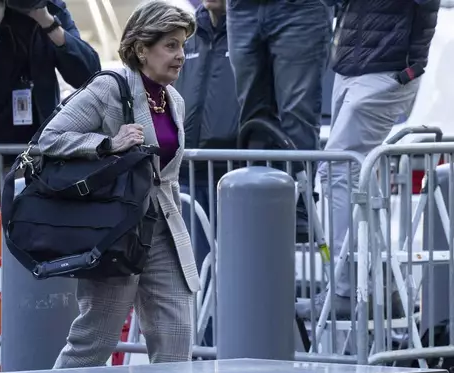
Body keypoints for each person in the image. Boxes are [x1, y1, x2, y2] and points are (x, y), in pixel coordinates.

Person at [0, 0, 100, 373]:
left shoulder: (49, 10)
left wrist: (45, 21)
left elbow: (88, 71)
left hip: (28, 161)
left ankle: (39, 371)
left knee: (40, 272)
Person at [36, 0, 199, 368]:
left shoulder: (174, 100)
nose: (180, 55)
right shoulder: (108, 88)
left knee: (176, 339)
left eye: (183, 45)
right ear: (142, 49)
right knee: (95, 341)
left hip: (162, 230)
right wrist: (107, 144)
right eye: (170, 45)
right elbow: (49, 139)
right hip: (117, 230)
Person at [305, 0, 440, 320]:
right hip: (354, 63)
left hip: (386, 67)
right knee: (351, 172)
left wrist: (410, 68)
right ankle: (381, 284)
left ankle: (346, 288)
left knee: (341, 170)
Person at [225, 0, 333, 241]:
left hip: (301, 8)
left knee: (297, 113)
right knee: (253, 115)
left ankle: (299, 206)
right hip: (242, 7)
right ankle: (257, 199)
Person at [172, 0, 235, 348]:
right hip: (185, 175)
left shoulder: (250, 33)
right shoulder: (183, 35)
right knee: (189, 276)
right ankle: (194, 356)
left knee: (232, 278)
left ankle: (226, 358)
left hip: (234, 177)